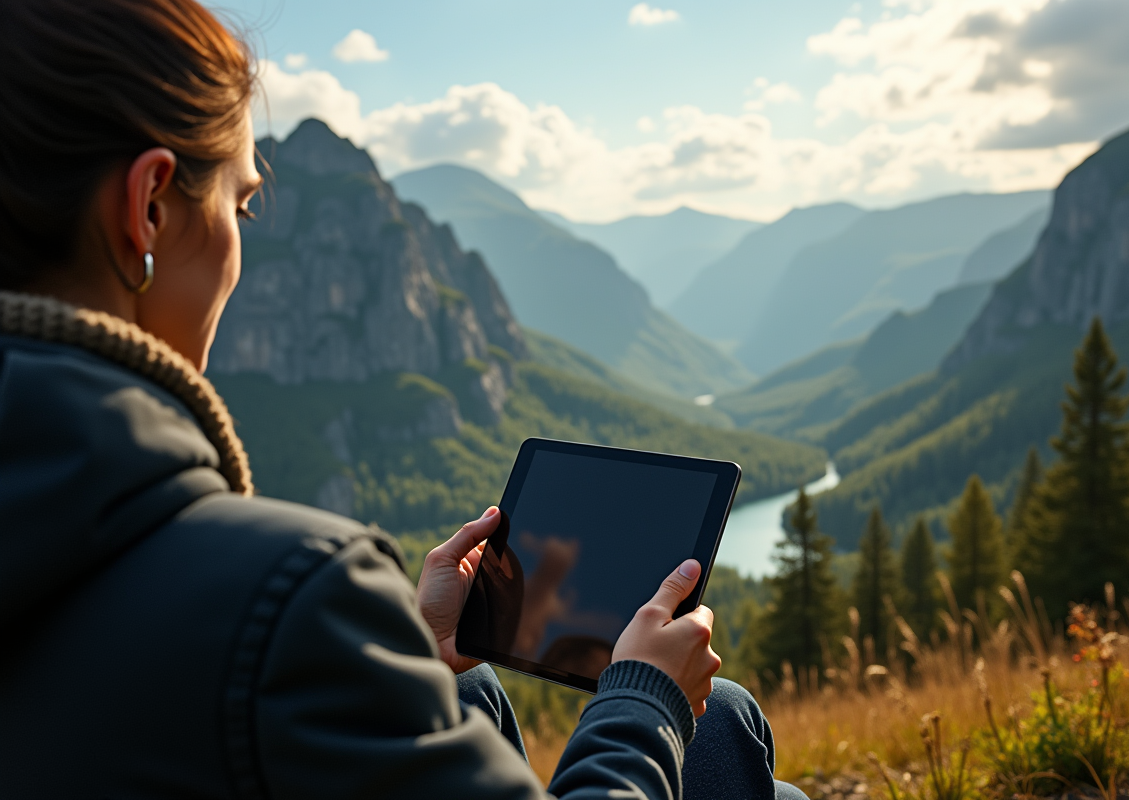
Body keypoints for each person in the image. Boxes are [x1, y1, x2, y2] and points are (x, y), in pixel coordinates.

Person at [0, 1, 805, 798]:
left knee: (465, 691)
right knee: (722, 721)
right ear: (147, 209)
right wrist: (645, 700)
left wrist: (398, 650)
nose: (243, 248)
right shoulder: (289, 594)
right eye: (240, 206)